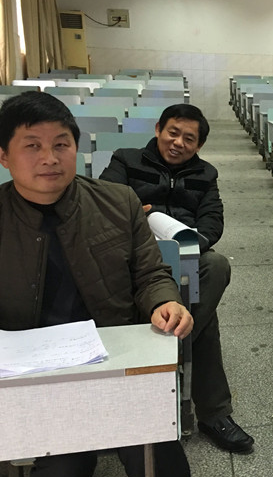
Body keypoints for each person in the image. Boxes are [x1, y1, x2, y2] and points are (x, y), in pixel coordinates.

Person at [0, 91, 195, 477]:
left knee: (158, 451)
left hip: (112, 363)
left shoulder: (118, 202)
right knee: (63, 465)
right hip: (32, 376)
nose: (50, 158)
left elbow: (150, 275)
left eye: (61, 144)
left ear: (76, 148)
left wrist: (164, 302)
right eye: (32, 146)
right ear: (3, 156)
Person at [100, 103, 253, 454]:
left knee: (216, 266)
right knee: (204, 320)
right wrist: (136, 218)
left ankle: (168, 354)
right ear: (158, 129)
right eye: (173, 133)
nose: (178, 143)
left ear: (199, 145)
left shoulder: (205, 174)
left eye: (189, 139)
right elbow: (105, 204)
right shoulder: (126, 160)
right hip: (133, 258)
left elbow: (213, 221)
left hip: (184, 258)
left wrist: (192, 241)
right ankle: (214, 413)